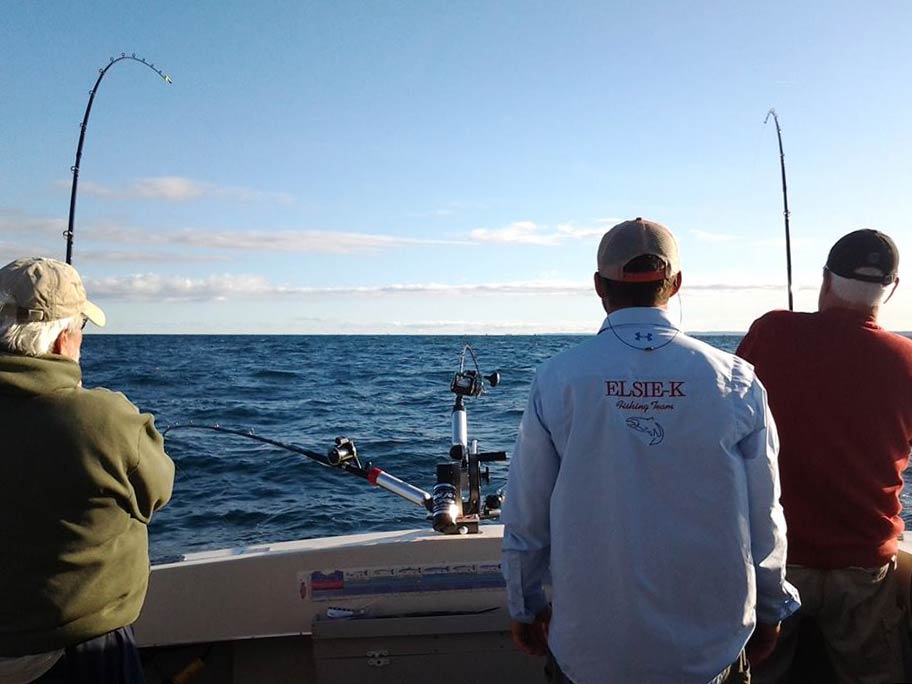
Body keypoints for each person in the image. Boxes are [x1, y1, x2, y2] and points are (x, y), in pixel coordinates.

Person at [501, 218, 800, 684]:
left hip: (589, 652)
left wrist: (525, 605)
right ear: (676, 283)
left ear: (599, 286)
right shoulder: (737, 381)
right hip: (711, 651)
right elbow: (766, 517)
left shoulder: (559, 379)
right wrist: (770, 609)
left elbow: (526, 516)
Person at [737, 229, 912, 684]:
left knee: (761, 673)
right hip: (864, 563)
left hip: (777, 559)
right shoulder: (907, 360)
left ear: (825, 279)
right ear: (891, 289)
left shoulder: (772, 331)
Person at [0, 257, 175, 684]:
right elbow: (157, 488)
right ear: (64, 340)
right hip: (81, 655)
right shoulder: (102, 419)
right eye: (79, 327)